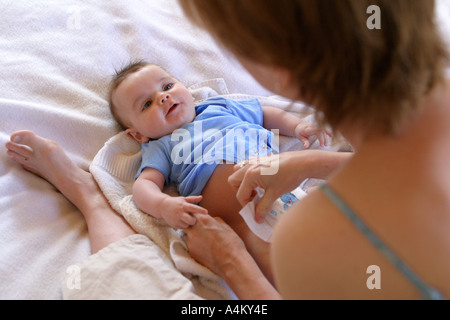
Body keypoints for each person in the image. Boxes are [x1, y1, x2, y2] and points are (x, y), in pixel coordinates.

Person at [178, 0, 450, 299]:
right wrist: (318, 162)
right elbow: (412, 178)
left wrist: (232, 263)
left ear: (277, 67)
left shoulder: (307, 239)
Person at [108, 60, 336, 282]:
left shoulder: (218, 107)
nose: (163, 97)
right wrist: (163, 205)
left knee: (322, 216)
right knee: (267, 257)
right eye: (146, 104)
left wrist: (298, 126)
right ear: (137, 135)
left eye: (167, 86)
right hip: (238, 216)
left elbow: (264, 114)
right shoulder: (162, 145)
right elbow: (144, 185)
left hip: (282, 187)